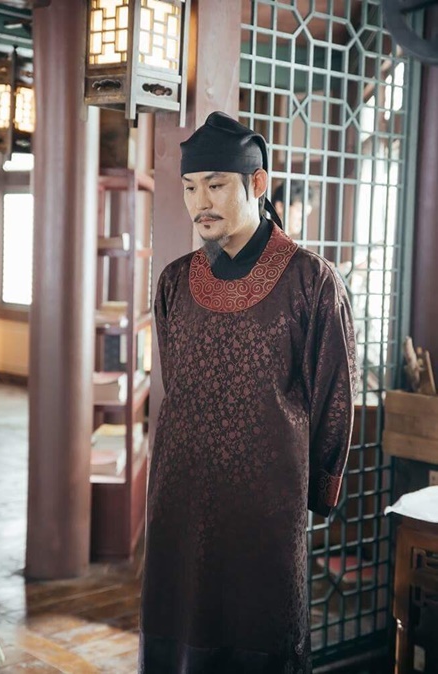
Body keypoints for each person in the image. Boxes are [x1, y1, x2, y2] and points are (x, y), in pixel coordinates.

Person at [138, 111, 358, 674]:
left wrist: (318, 490)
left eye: (215, 185)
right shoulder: (173, 282)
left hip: (266, 509)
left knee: (260, 639)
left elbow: (335, 399)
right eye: (190, 187)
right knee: (176, 635)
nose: (200, 203)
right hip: (179, 501)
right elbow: (177, 387)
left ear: (257, 182)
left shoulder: (312, 282)